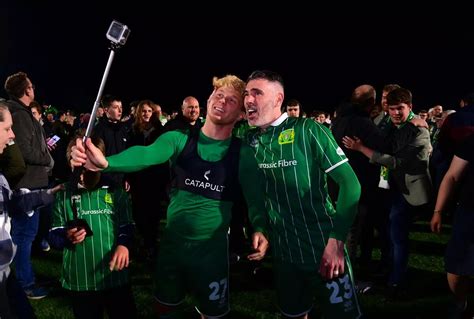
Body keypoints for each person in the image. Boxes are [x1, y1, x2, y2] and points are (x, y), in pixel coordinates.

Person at [70, 75, 269, 319]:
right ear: (208, 99)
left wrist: (259, 227)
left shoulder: (243, 152)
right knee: (165, 310)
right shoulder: (179, 138)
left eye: (231, 100)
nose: (222, 102)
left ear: (240, 113)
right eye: (218, 95)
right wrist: (107, 163)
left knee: (213, 314)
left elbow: (255, 196)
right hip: (172, 250)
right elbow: (146, 154)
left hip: (212, 255)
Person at [242, 70, 362, 319]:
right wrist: (260, 227)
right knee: (293, 313)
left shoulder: (308, 130)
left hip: (322, 244)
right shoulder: (249, 140)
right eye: (246, 94)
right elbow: (254, 194)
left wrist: (337, 240)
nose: (248, 99)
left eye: (257, 93)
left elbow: (351, 185)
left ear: (278, 99)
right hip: (284, 252)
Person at [343, 87, 432, 296]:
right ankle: (389, 270)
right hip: (389, 188)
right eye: (391, 109)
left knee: (397, 235)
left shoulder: (420, 129)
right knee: (388, 233)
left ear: (410, 107)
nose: (395, 113)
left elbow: (395, 161)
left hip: (408, 189)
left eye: (400, 108)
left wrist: (361, 148)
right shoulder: (391, 125)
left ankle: (396, 282)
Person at [48, 135, 136, 319]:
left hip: (114, 276)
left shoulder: (115, 191)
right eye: (78, 163)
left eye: (88, 164)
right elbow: (53, 234)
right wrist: (66, 236)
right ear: (70, 161)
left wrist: (123, 245)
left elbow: (127, 225)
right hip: (81, 279)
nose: (83, 172)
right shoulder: (63, 194)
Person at [0, 103, 58, 318]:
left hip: (5, 273)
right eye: (7, 128)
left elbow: (14, 204)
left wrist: (49, 194)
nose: (12, 135)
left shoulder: (1, 179)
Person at [4, 71, 54, 299]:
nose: (34, 89)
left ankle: (26, 276)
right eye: (31, 86)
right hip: (27, 185)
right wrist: (47, 159)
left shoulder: (22, 112)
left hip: (33, 182)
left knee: (29, 235)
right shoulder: (20, 115)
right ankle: (25, 283)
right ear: (27, 90)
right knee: (24, 236)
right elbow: (25, 151)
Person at [430, 133, 474, 318]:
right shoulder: (471, 141)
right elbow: (452, 176)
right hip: (469, 212)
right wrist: (438, 211)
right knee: (456, 266)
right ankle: (460, 301)